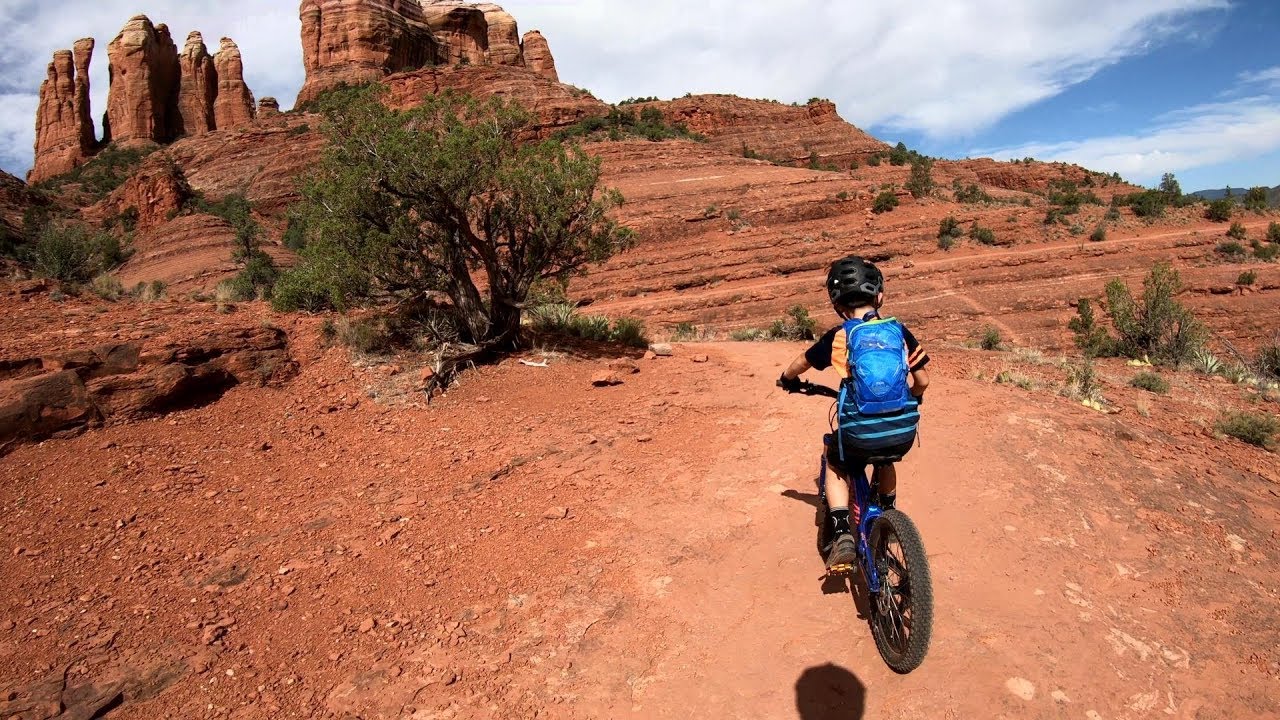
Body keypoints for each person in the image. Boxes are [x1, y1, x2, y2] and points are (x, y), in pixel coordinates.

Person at [777, 256, 930, 570]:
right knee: (885, 457)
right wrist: (913, 399)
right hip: (901, 431)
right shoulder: (898, 332)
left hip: (858, 434)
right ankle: (888, 513)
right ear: (879, 296)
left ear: (836, 304)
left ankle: (842, 531)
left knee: (836, 462)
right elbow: (923, 380)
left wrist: (787, 380)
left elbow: (801, 363)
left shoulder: (839, 337)